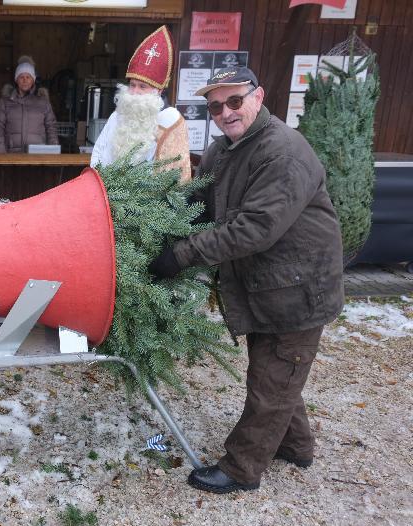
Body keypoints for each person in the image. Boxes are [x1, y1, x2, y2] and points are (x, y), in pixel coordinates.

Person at [147, 66, 344, 494]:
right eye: (215, 106)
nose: (225, 112)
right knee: (276, 373)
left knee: (272, 382)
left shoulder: (283, 153)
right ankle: (296, 446)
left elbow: (255, 229)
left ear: (258, 96)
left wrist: (180, 256)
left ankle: (242, 468)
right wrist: (158, 226)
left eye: (235, 101)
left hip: (298, 289)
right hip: (266, 286)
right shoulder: (223, 151)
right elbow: (198, 203)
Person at [91, 25, 191, 183]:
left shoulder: (170, 121)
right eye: (132, 85)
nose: (135, 91)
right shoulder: (117, 116)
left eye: (142, 86)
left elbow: (175, 176)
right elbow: (99, 152)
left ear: (158, 90)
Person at [0, 55, 58, 153]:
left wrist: (53, 152)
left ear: (33, 80)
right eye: (21, 77)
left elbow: (51, 127)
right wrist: (0, 154)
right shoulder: (5, 101)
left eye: (28, 77)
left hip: (38, 156)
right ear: (16, 79)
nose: (25, 80)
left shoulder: (43, 102)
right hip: (11, 156)